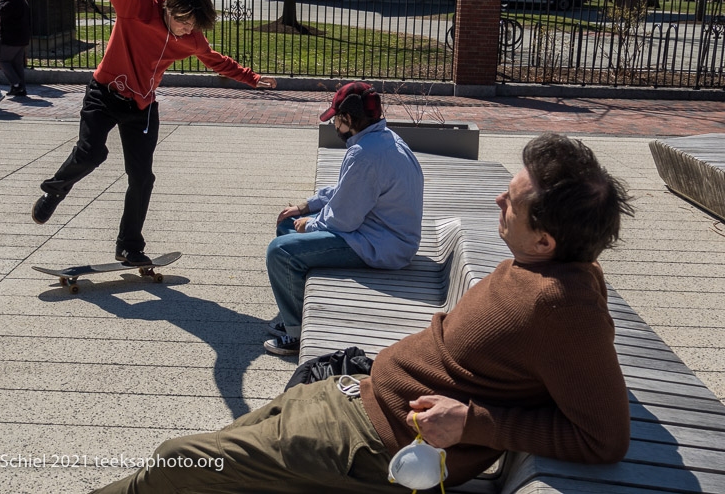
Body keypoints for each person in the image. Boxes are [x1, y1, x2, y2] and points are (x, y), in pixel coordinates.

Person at [88, 133, 634, 494]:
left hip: (366, 441)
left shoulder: (564, 305)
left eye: (510, 201)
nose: (496, 201)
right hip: (350, 394)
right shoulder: (547, 268)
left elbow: (604, 437)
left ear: (543, 238)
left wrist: (472, 424)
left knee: (173, 464)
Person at [31, 0, 276, 266]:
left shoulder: (193, 38)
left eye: (195, 26)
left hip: (142, 106)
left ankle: (129, 245)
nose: (189, 31)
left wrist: (251, 77)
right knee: (91, 154)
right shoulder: (136, 6)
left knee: (142, 177)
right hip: (104, 93)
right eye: (185, 23)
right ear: (170, 9)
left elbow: (215, 59)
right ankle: (55, 189)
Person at [264, 81, 424, 356]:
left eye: (335, 120)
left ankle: (297, 332)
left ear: (348, 118)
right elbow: (346, 191)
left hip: (383, 245)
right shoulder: (382, 140)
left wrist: (309, 223)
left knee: (280, 252)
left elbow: (343, 219)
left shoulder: (366, 154)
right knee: (286, 224)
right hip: (379, 232)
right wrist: (305, 206)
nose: (334, 126)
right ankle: (294, 310)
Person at [0, 0, 31, 97]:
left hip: (11, 38)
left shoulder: (12, 2)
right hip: (21, 38)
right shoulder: (21, 0)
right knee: (17, 64)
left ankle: (17, 84)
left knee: (2, 59)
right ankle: (20, 88)